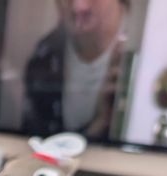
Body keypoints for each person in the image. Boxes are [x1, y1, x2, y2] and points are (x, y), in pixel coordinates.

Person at [21, 0, 128, 140]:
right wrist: (99, 123)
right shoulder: (44, 56)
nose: (79, 6)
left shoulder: (148, 52)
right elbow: (36, 145)